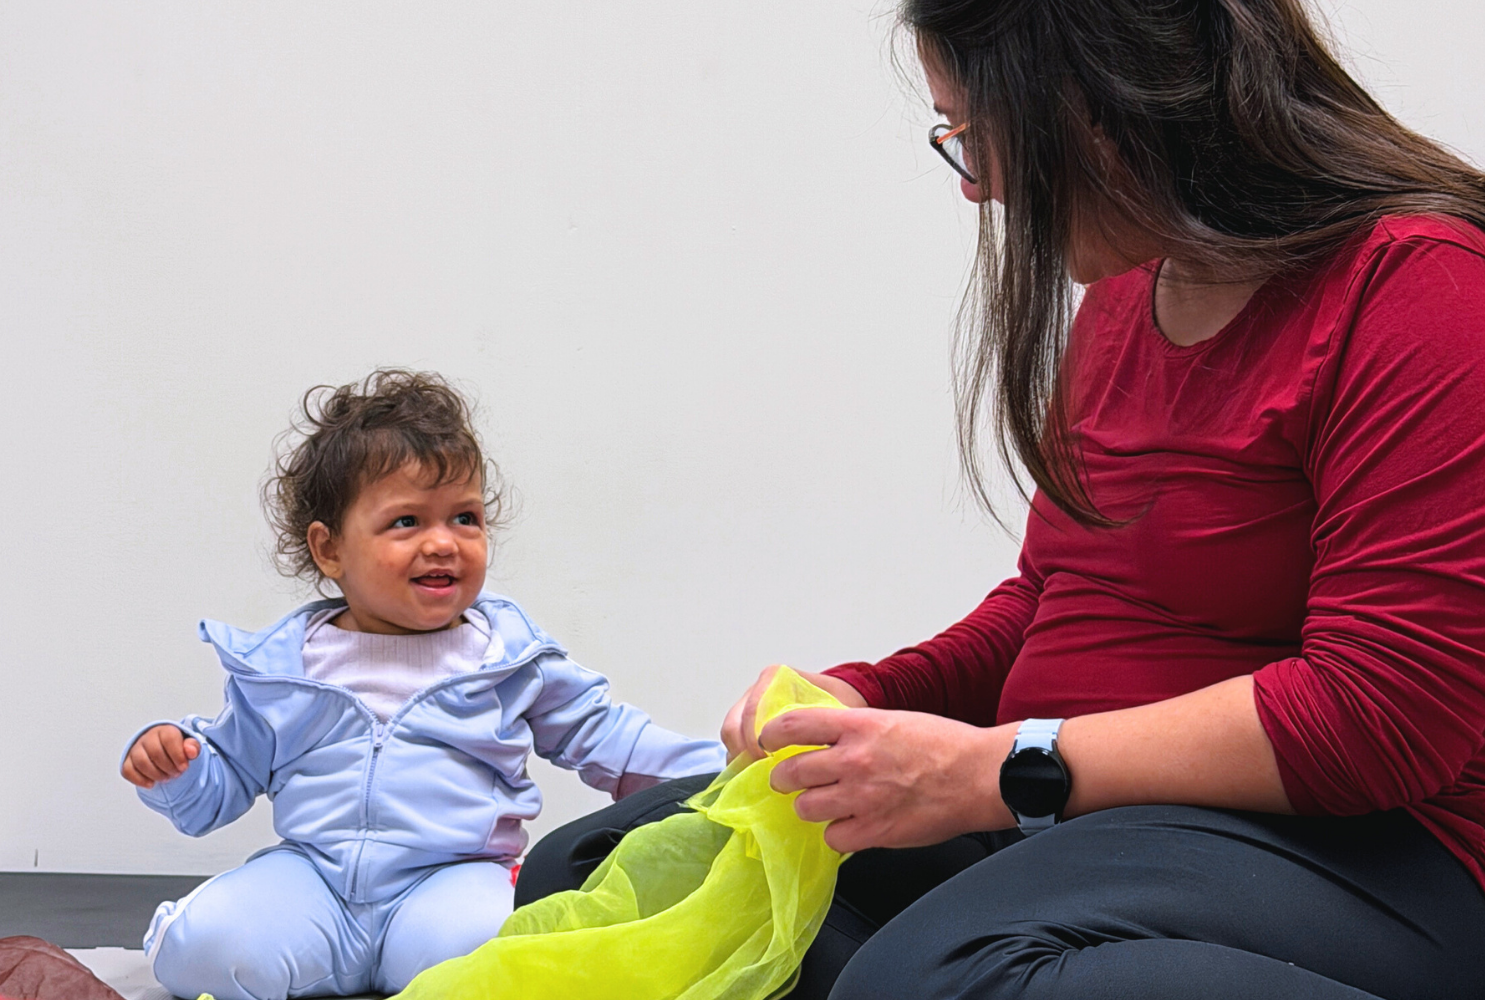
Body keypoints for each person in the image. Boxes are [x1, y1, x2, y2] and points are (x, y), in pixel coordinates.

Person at [516, 2, 1485, 997]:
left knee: (931, 973)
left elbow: (1382, 713)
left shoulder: (1418, 284)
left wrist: (991, 770)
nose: (976, 187)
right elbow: (1052, 600)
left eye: (973, 134)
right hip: (1081, 822)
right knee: (602, 876)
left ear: (1094, 102)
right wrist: (868, 698)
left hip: (1380, 857)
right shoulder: (1127, 294)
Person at [119, 370, 726, 1000]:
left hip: (453, 881)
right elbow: (224, 782)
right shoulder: (284, 667)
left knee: (492, 950)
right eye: (406, 521)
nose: (443, 543)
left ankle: (426, 966)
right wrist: (179, 770)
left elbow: (613, 741)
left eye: (465, 518)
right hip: (314, 878)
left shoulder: (507, 658)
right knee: (206, 948)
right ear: (330, 550)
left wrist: (725, 770)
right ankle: (299, 952)